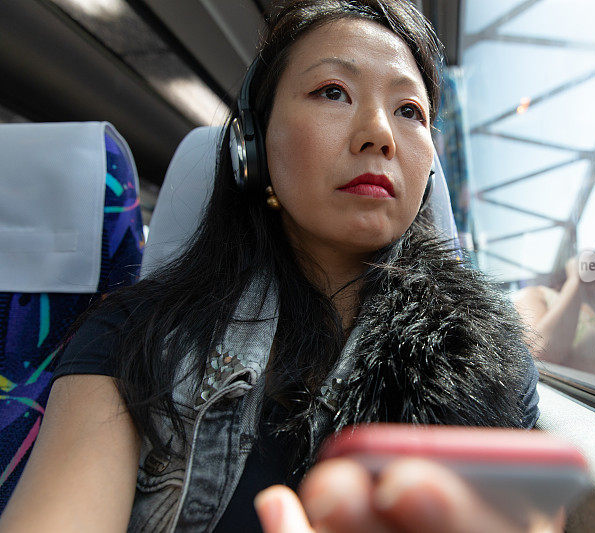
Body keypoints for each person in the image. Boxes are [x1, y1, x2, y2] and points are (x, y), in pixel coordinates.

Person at [0, 1, 544, 531]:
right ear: (252, 146)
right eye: (333, 92)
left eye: (410, 111)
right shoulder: (132, 340)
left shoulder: (490, 360)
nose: (379, 132)